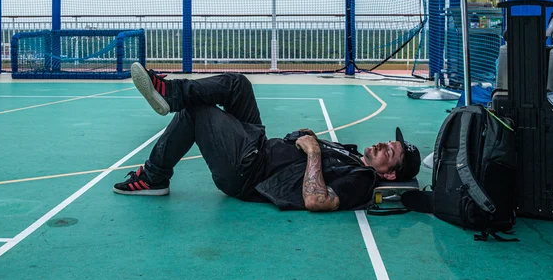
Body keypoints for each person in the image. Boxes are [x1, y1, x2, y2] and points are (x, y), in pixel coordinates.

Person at [113, 64, 421, 212]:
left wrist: (313, 152)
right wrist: (312, 139)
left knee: (197, 113)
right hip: (259, 147)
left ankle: (154, 177)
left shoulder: (362, 180)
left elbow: (317, 201)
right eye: (387, 142)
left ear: (390, 173)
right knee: (238, 84)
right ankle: (171, 92)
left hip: (248, 172)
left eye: (389, 152)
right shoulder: (354, 156)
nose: (381, 145)